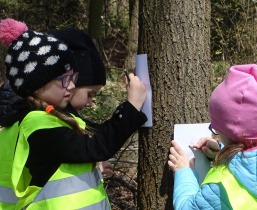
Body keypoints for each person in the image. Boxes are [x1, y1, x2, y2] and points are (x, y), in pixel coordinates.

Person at [0, 18, 147, 210]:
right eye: (64, 79)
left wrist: (129, 105)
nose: (71, 85)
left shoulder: (47, 118)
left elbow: (93, 137)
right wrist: (132, 105)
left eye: (73, 78)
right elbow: (96, 146)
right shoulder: (37, 126)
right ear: (37, 83)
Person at [168, 64, 257, 209]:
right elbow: (254, 167)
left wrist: (184, 172)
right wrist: (221, 151)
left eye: (216, 129)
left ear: (228, 133)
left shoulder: (221, 186)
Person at [48, 28, 115, 175]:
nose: (90, 103)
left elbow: (98, 133)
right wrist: (132, 106)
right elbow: (96, 146)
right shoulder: (45, 124)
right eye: (89, 94)